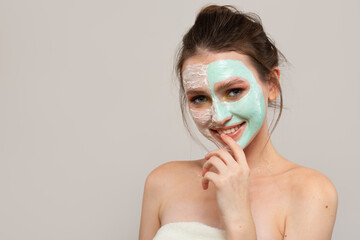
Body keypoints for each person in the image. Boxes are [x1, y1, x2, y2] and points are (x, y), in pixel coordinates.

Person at [139, 5, 338, 240]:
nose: (219, 116)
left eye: (233, 91)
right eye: (199, 98)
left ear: (272, 84)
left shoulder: (310, 193)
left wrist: (238, 216)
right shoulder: (162, 183)